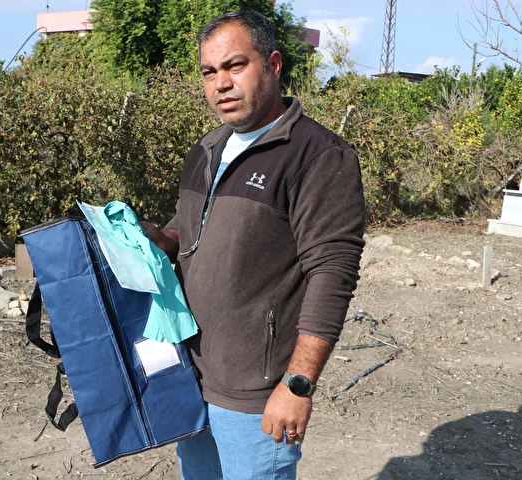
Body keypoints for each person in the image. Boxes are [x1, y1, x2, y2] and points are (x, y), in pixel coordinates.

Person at [141, 10, 366, 479]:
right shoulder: (207, 149)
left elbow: (332, 274)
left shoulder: (318, 155)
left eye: (235, 65)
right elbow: (190, 230)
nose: (221, 83)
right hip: (190, 374)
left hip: (256, 396)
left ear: (273, 64)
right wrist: (160, 239)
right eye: (209, 72)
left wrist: (297, 384)